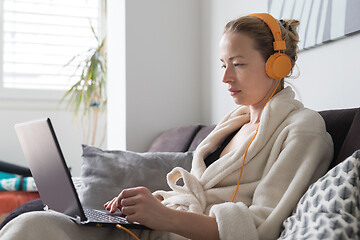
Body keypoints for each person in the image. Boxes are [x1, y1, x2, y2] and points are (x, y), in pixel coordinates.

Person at [0, 13, 333, 240]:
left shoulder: (303, 129)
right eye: (222, 65)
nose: (226, 78)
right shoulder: (235, 123)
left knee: (31, 228)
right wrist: (147, 207)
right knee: (34, 222)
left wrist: (165, 217)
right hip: (160, 226)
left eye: (239, 64)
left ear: (278, 64)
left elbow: (261, 225)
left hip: (179, 232)